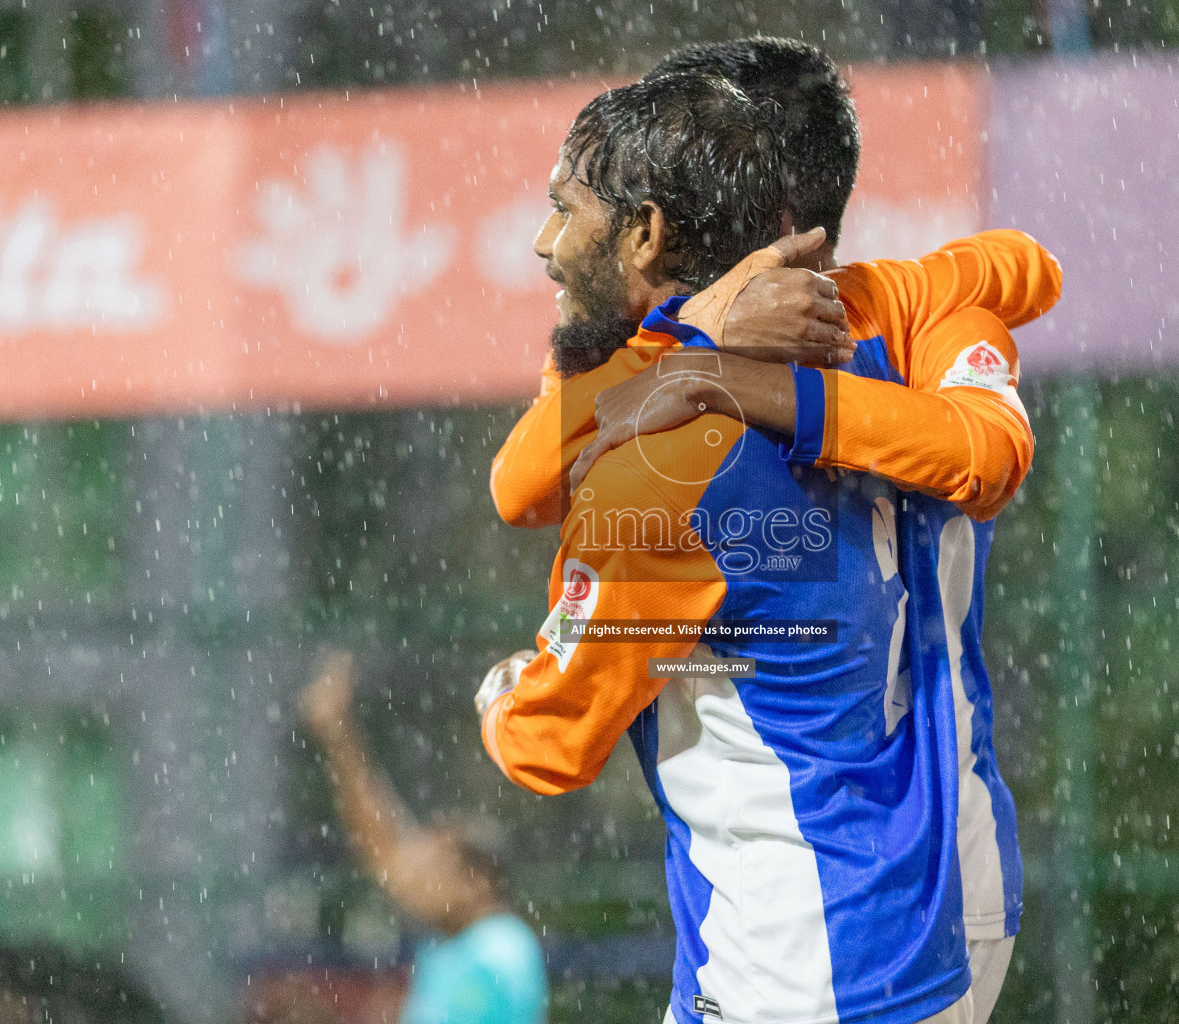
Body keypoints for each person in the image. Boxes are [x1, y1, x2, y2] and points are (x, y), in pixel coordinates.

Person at [488, 37, 1057, 1024]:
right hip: (932, 889)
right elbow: (1026, 274)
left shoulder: (667, 441)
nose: (546, 240)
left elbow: (545, 731)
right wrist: (695, 342)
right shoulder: (921, 311)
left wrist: (709, 367)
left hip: (794, 953)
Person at [299, 649, 546, 1024]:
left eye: (432, 868)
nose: (413, 876)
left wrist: (339, 736)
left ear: (475, 882)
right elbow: (383, 848)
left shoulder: (498, 951)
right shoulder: (455, 945)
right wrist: (338, 736)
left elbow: (387, 856)